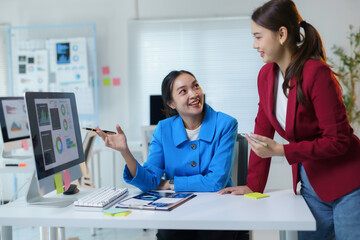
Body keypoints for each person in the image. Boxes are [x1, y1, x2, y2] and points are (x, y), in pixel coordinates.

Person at [218, 0, 360, 239]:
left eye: (258, 37)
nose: (254, 45)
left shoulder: (317, 73)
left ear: (282, 34)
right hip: (310, 188)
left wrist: (283, 151)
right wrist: (253, 186)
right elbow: (261, 136)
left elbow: (338, 141)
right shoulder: (266, 76)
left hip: (348, 186)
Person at [96, 70, 247, 240]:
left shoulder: (226, 124)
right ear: (171, 103)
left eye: (195, 86)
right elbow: (149, 181)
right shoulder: (163, 129)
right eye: (183, 91)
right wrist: (125, 152)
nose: (194, 94)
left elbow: (215, 181)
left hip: (217, 210)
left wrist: (169, 184)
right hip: (177, 212)